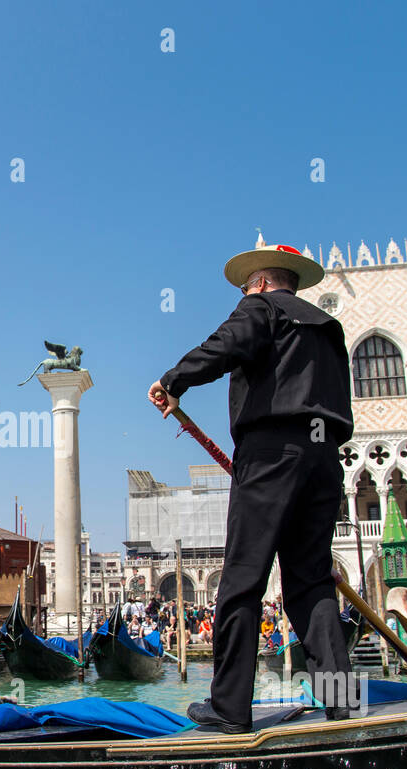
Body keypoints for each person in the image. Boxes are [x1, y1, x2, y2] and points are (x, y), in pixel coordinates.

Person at [149, 243, 355, 733]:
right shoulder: (329, 327)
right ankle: (342, 702)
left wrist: (172, 381)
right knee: (310, 583)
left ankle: (229, 708)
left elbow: (225, 346)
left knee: (242, 579)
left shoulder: (260, 308)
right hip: (326, 457)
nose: (243, 295)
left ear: (260, 282)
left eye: (245, 288)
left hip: (270, 456)